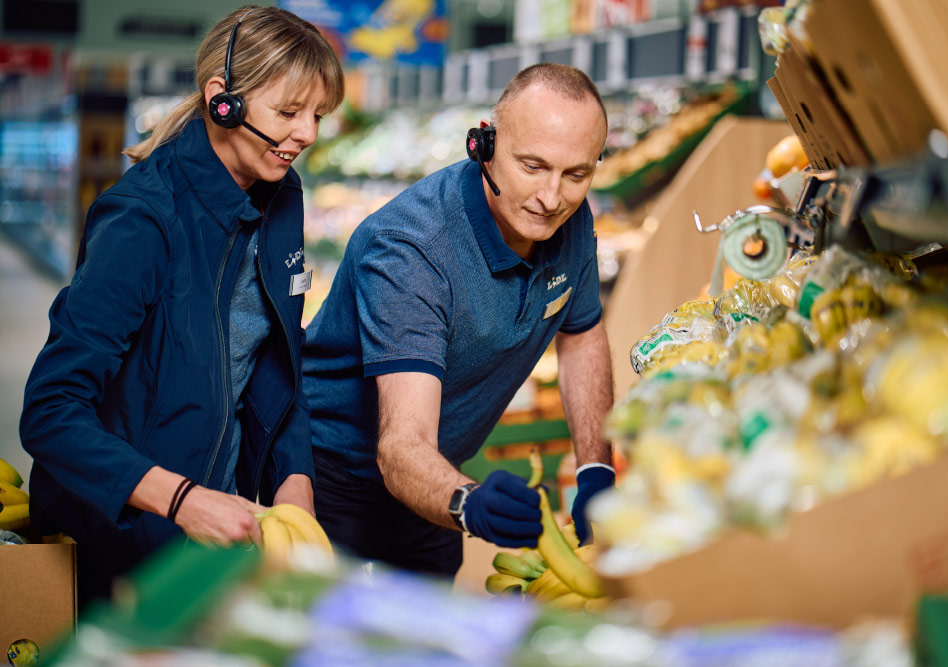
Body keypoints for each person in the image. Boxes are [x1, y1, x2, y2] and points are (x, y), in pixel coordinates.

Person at [19, 5, 344, 606]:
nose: (308, 135)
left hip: (227, 529)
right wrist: (181, 500)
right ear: (224, 99)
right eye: (289, 111)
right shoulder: (143, 220)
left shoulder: (282, 196)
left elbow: (278, 359)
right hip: (125, 540)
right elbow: (50, 413)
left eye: (318, 115)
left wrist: (295, 478)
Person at [302, 63, 615, 579]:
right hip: (333, 486)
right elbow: (400, 446)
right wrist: (469, 504)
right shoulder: (411, 251)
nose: (552, 196)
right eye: (532, 166)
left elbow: (580, 333)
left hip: (435, 481)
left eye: (575, 174)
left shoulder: (570, 220)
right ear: (483, 145)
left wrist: (596, 467)